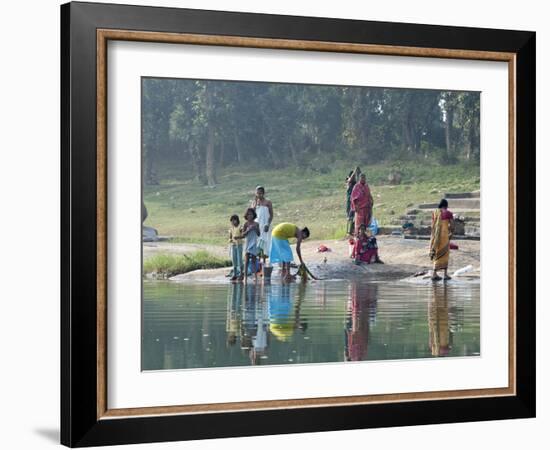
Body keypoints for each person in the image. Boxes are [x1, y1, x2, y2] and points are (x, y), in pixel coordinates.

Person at [429, 199, 454, 281]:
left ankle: (434, 273)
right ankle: (445, 274)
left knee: (437, 252)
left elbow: (433, 225)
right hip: (444, 235)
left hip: (436, 236)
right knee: (445, 253)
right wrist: (451, 233)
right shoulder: (448, 213)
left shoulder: (435, 212)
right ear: (446, 205)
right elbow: (452, 225)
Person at [250, 186, 273, 268]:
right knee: (257, 243)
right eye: (257, 193)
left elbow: (271, 215)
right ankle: (258, 263)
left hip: (265, 225)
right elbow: (251, 214)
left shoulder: (268, 202)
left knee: (265, 242)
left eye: (260, 193)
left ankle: (264, 262)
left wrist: (268, 224)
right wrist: (255, 203)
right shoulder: (254, 203)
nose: (259, 195)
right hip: (257, 225)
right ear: (255, 193)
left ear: (263, 193)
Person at [242, 208, 261, 284]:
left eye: (251, 214)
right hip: (247, 242)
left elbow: (259, 234)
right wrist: (248, 230)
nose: (250, 216)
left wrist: (255, 228)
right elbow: (243, 234)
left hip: (254, 242)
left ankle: (255, 276)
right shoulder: (245, 224)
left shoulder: (256, 224)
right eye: (248, 214)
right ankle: (245, 277)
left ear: (254, 215)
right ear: (246, 216)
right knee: (246, 260)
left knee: (253, 260)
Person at [228, 214, 244, 282]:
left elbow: (243, 235)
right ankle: (235, 274)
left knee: (239, 259)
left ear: (237, 220)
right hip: (233, 245)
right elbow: (230, 237)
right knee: (234, 259)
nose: (233, 222)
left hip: (239, 245)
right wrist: (230, 240)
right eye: (232, 221)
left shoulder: (240, 227)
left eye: (234, 220)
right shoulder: (231, 229)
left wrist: (238, 237)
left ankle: (241, 274)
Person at [345, 167, 360, 236]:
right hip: (350, 203)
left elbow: (358, 180)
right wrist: (355, 171)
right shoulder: (349, 184)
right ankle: (349, 232)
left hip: (355, 203)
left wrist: (357, 173)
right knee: (350, 218)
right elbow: (350, 179)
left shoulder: (355, 184)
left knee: (356, 217)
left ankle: (353, 232)